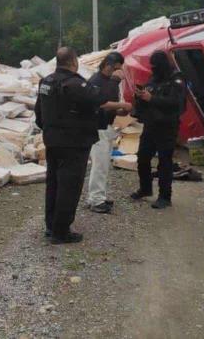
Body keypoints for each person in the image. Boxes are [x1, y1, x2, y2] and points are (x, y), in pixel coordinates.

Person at [35, 47, 131, 244]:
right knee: (69, 186)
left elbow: (39, 114)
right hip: (73, 143)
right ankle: (61, 231)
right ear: (73, 62)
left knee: (53, 183)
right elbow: (100, 100)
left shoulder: (46, 82)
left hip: (52, 141)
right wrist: (121, 104)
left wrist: (49, 128)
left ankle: (51, 225)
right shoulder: (75, 84)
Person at [130, 50, 186, 209]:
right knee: (142, 157)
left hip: (167, 126)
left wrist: (152, 99)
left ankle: (165, 196)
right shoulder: (154, 78)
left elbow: (176, 103)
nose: (153, 69)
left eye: (156, 66)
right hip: (151, 124)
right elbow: (149, 96)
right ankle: (146, 188)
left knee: (164, 162)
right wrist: (140, 96)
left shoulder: (176, 80)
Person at [86, 52, 126, 214]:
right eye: (117, 68)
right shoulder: (97, 81)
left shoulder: (108, 82)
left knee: (103, 164)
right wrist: (116, 81)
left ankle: (97, 196)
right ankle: (96, 199)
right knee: (99, 165)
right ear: (109, 65)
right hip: (97, 128)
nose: (120, 72)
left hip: (105, 126)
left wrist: (121, 111)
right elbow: (102, 103)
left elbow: (111, 103)